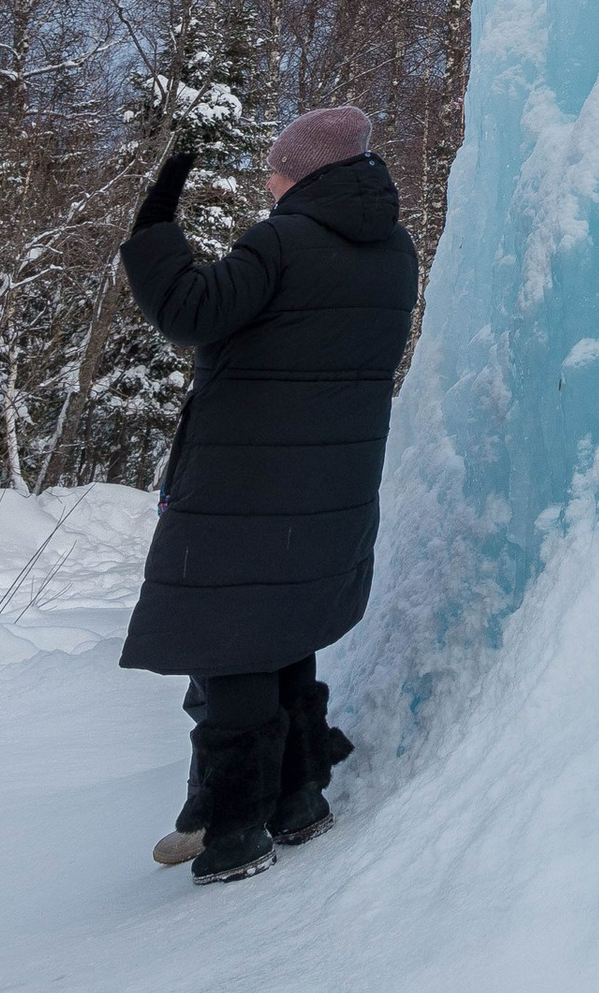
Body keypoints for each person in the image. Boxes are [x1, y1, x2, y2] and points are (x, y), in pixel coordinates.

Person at [117, 104, 420, 882]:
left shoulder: (280, 241)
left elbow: (187, 308)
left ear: (308, 173)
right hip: (326, 491)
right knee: (282, 632)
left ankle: (235, 826)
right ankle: (300, 797)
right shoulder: (394, 250)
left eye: (277, 169)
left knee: (231, 647)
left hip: (248, 485)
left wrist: (155, 221)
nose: (268, 183)